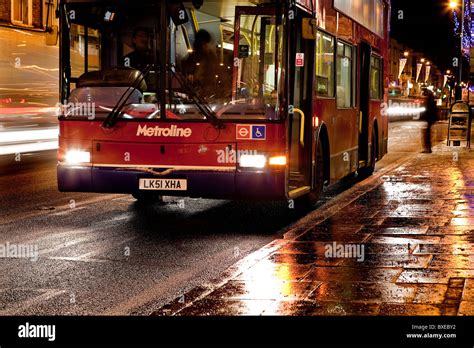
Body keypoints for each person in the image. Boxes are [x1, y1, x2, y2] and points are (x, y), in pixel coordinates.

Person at [182, 29, 223, 99]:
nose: (206, 46)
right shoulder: (193, 58)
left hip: (204, 95)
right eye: (204, 43)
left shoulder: (209, 58)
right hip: (198, 96)